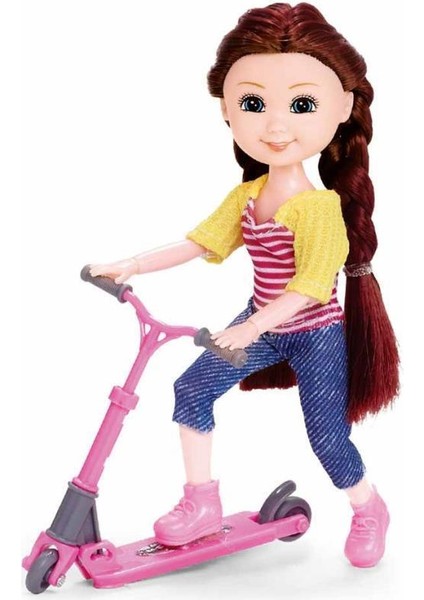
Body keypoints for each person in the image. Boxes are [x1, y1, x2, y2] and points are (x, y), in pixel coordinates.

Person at [90, 2, 399, 568]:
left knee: (327, 438)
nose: (275, 126)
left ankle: (367, 506)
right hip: (259, 324)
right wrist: (130, 264)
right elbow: (199, 242)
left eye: (301, 105)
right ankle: (201, 503)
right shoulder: (247, 197)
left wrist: (250, 328)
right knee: (191, 389)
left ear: (342, 107)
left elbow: (309, 289)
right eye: (253, 104)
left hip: (313, 333)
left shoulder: (320, 209)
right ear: (227, 110)